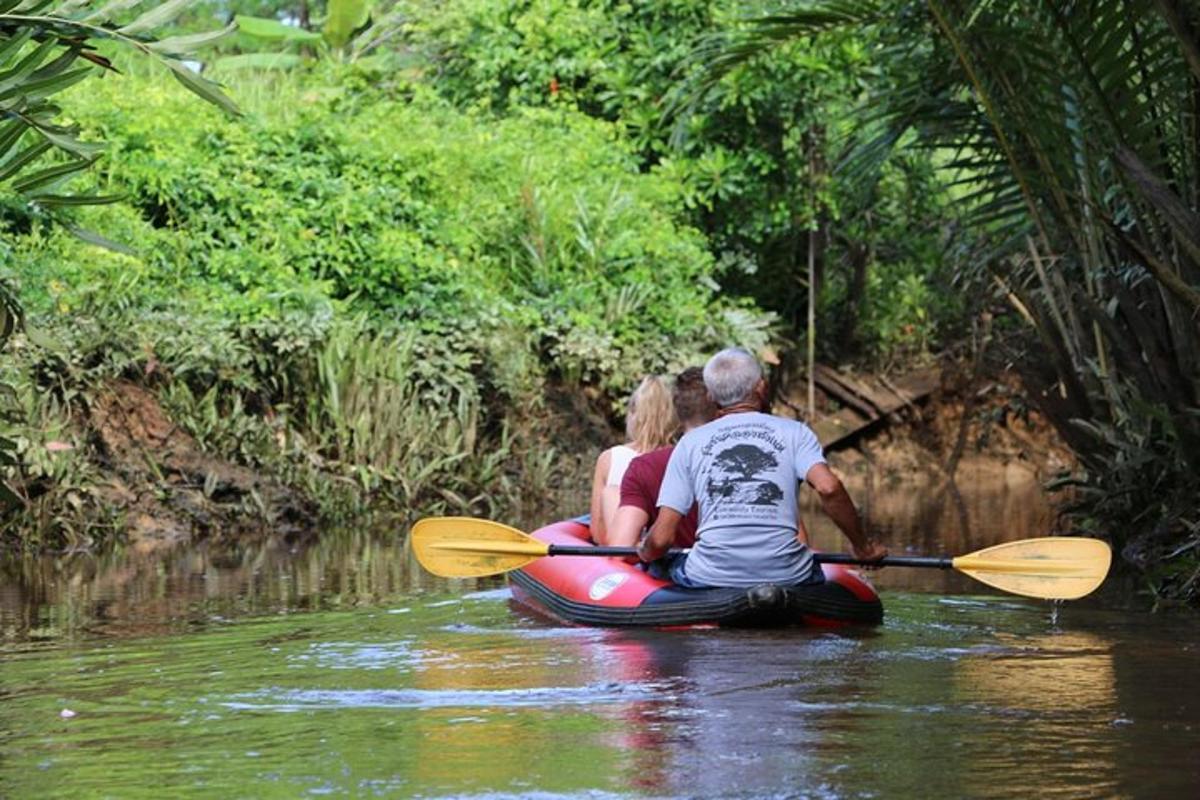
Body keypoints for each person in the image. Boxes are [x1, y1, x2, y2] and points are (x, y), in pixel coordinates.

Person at [638, 347, 886, 587]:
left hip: (710, 577)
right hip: (789, 576)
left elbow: (661, 539)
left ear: (710, 396)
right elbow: (829, 487)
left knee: (658, 568)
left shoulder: (689, 443)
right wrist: (863, 547)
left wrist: (645, 552)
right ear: (761, 387)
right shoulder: (796, 432)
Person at [600, 367, 714, 548]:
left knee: (610, 492)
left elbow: (620, 547)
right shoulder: (744, 463)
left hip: (678, 568)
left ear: (677, 412)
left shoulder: (643, 467)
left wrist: (646, 548)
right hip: (742, 569)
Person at [589, 375, 677, 544]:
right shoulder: (683, 456)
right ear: (672, 417)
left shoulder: (610, 459)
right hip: (666, 554)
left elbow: (597, 533)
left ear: (633, 414)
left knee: (610, 493)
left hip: (621, 559)